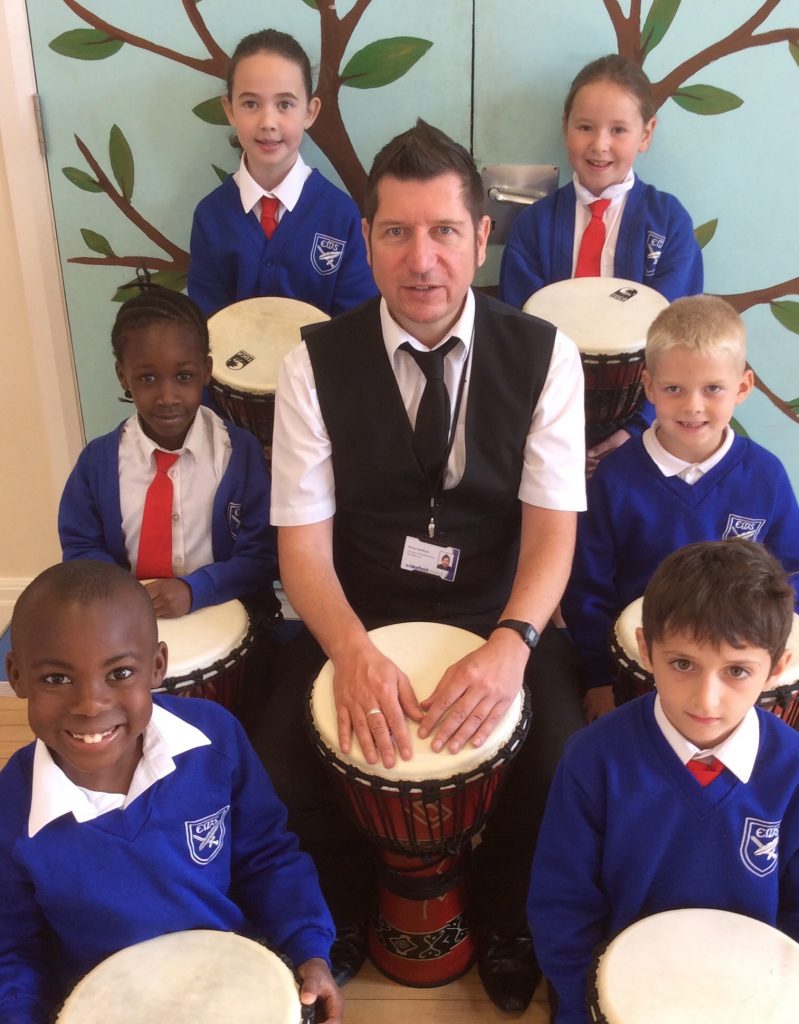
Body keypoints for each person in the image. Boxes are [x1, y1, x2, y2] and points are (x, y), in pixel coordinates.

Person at [256, 118, 587, 1012]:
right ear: (366, 240)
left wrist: (513, 642)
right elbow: (302, 549)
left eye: (444, 230)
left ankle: (509, 917)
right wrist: (353, 653)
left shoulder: (546, 355)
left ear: (482, 237)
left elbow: (553, 531)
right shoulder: (310, 365)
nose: (421, 259)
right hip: (353, 613)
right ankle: (336, 911)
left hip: (493, 610)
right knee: (282, 761)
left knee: (558, 758)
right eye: (395, 231)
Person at [0, 560, 341, 1024]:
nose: (90, 704)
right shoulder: (12, 811)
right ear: (15, 675)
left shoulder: (215, 740)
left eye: (119, 673)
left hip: (226, 982)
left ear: (157, 665)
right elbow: (13, 947)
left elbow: (268, 857)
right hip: (98, 1000)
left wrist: (309, 948)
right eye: (57, 679)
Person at [529, 540, 799, 1024]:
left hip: (748, 1000)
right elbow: (562, 907)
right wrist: (592, 1002)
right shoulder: (593, 758)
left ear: (776, 669)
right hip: (613, 997)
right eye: (682, 664)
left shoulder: (793, 770)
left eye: (737, 671)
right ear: (647, 650)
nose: (706, 698)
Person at [561, 295, 799, 722]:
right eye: (674, 389)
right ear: (648, 387)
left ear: (743, 387)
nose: (693, 406)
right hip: (637, 667)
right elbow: (586, 588)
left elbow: (793, 572)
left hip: (733, 673)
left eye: (713, 389)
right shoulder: (615, 479)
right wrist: (598, 677)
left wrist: (767, 651)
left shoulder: (766, 475)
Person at [499, 54, 703, 469]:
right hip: (546, 420)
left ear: (646, 134)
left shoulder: (669, 223)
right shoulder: (533, 226)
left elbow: (681, 337)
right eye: (585, 127)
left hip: (647, 428)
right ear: (565, 126)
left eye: (619, 130)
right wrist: (544, 423)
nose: (599, 145)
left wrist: (640, 427)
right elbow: (515, 332)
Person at [58, 282, 278, 619]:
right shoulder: (97, 463)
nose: (167, 397)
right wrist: (124, 592)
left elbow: (262, 554)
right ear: (122, 375)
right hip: (127, 619)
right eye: (147, 378)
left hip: (230, 616)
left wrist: (197, 588)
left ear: (206, 370)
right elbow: (81, 548)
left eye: (184, 376)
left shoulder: (239, 454)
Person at [188, 28, 376, 319]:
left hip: (323, 365)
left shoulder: (341, 216)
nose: (268, 122)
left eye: (285, 104)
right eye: (251, 104)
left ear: (310, 112)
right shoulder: (210, 216)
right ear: (229, 110)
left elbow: (356, 322)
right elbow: (208, 327)